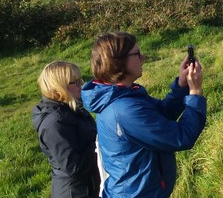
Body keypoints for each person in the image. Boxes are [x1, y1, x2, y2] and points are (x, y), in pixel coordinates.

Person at [81, 32, 206, 198]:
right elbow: (181, 136)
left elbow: (158, 117)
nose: (143, 57)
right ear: (119, 61)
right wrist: (195, 93)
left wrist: (181, 86)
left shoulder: (123, 95)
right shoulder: (125, 109)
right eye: (136, 54)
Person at [32, 61, 101, 198]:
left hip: (88, 186)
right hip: (75, 192)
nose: (81, 86)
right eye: (74, 82)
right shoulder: (54, 123)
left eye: (80, 80)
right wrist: (101, 146)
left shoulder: (73, 109)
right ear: (58, 87)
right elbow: (73, 166)